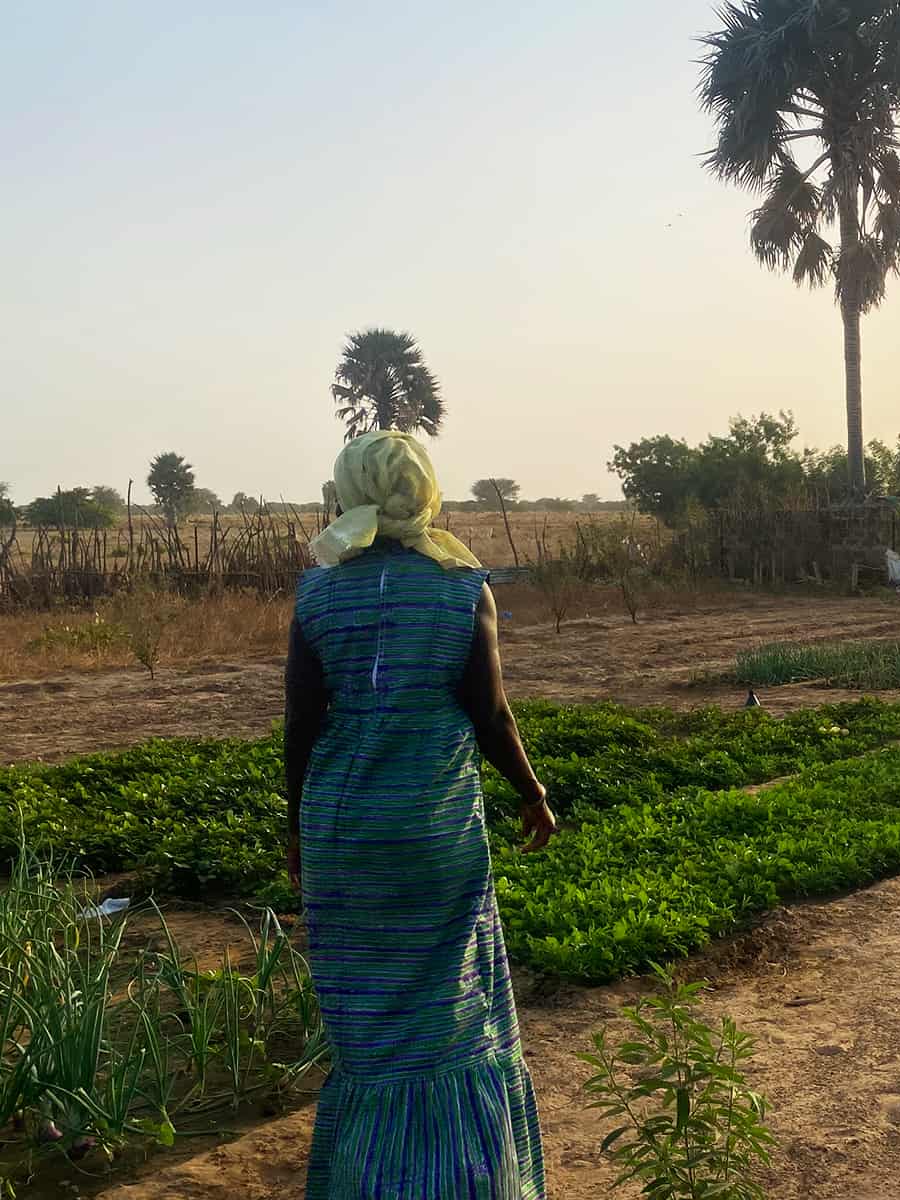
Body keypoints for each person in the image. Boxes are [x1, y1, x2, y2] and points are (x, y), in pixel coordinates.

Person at [284, 430, 557, 1200]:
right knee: (451, 1010)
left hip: (344, 833)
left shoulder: (316, 594)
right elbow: (491, 714)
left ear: (349, 491)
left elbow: (302, 723)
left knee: (368, 1029)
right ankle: (469, 1182)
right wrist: (532, 794)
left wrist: (296, 830)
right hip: (432, 829)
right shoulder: (461, 586)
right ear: (424, 489)